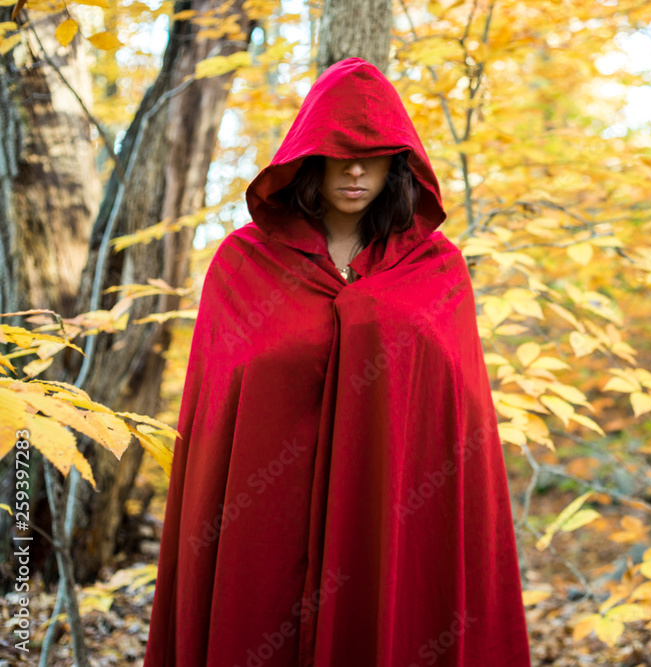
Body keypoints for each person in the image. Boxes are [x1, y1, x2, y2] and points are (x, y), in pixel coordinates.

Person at [143, 57, 532, 666]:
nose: (355, 169)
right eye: (339, 151)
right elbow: (217, 418)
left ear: (399, 163)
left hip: (391, 523)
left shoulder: (436, 268)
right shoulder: (244, 265)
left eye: (373, 154)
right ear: (308, 159)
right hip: (266, 526)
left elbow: (457, 424)